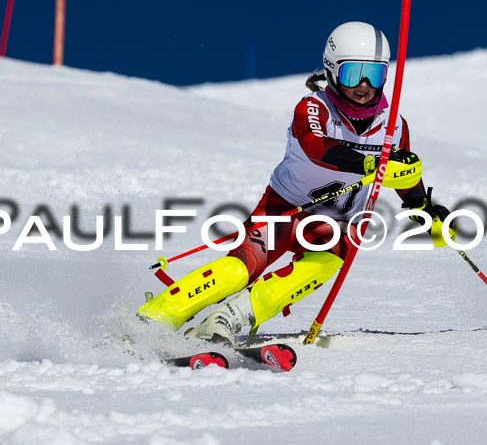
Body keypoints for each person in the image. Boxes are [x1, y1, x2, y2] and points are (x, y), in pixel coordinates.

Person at [137, 21, 455, 345]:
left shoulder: (394, 127)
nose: (363, 86)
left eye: (374, 75)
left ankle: (226, 320)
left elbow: (403, 174)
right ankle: (152, 317)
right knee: (239, 269)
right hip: (284, 210)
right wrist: (372, 163)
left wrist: (423, 208)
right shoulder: (314, 108)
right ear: (332, 72)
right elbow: (318, 147)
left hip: (336, 226)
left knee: (321, 265)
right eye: (352, 74)